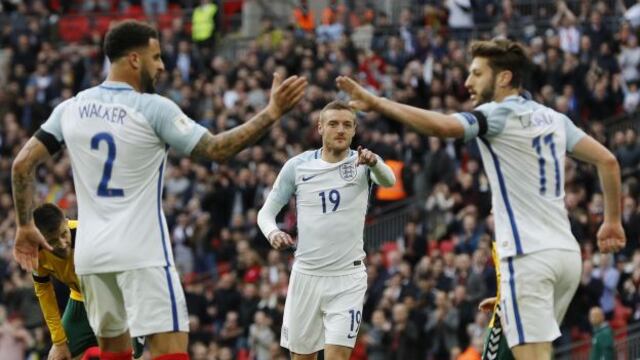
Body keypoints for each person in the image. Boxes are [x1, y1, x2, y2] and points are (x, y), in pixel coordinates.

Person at [11, 20, 306, 360]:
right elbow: (218, 149)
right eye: (156, 57)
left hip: (90, 254)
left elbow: (22, 165)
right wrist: (271, 113)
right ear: (134, 59)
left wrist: (23, 226)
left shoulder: (70, 108)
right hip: (141, 249)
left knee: (114, 352)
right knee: (169, 349)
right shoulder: (153, 107)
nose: (162, 66)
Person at [337, 38, 626, 359]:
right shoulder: (554, 119)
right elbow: (608, 161)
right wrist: (612, 222)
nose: (467, 82)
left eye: (476, 73)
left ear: (503, 77)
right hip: (566, 258)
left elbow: (444, 126)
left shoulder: (495, 114)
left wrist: (378, 103)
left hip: (527, 257)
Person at [257, 100, 395, 359]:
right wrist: (272, 232)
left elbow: (389, 179)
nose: (340, 130)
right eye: (333, 124)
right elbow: (265, 213)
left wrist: (374, 162)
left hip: (347, 278)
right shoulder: (298, 166)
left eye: (347, 125)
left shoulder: (364, 162)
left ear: (355, 130)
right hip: (306, 276)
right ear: (320, 128)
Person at [32, 203, 145, 360]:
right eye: (52, 241)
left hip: (117, 300)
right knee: (57, 357)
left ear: (66, 221)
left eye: (63, 234)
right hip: (80, 300)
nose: (62, 244)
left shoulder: (89, 234)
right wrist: (58, 341)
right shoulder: (34, 253)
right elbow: (44, 291)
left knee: (131, 356)